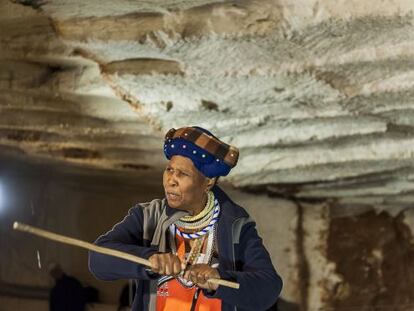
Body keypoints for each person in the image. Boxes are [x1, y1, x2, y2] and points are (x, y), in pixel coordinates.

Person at [89, 126, 283, 311]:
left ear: (208, 182)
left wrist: (219, 278)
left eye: (182, 174)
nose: (171, 180)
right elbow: (98, 260)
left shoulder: (235, 225)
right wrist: (148, 260)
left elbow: (268, 289)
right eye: (169, 170)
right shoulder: (148, 216)